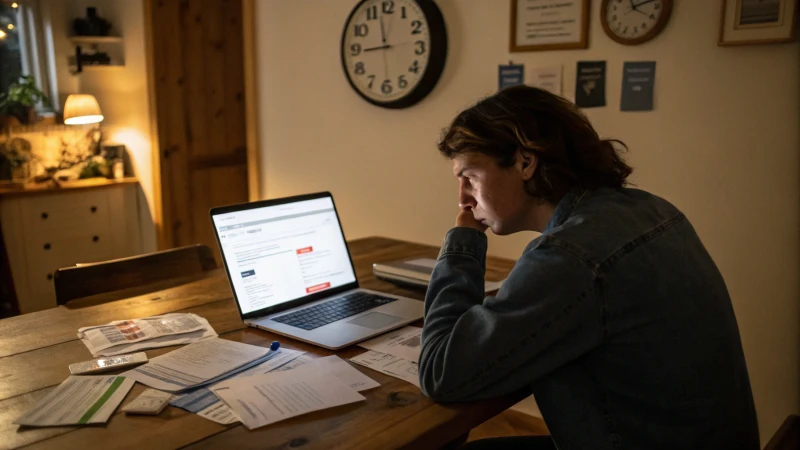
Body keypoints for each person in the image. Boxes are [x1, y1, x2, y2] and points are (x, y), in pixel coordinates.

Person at [419, 85, 759, 450]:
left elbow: (442, 372)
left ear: (525, 162)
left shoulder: (570, 256)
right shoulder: (652, 209)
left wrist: (463, 243)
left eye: (469, 177)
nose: (462, 198)